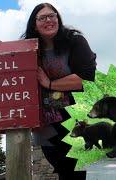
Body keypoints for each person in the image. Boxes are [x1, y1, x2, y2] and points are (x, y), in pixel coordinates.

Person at [21, 3, 97, 178]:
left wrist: (49, 83)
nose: (48, 20)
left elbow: (86, 79)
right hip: (47, 123)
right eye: (42, 17)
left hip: (75, 118)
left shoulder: (75, 41)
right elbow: (14, 70)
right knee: (62, 168)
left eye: (52, 15)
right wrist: (2, 51)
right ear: (34, 24)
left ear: (58, 18)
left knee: (80, 168)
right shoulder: (29, 48)